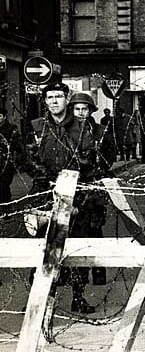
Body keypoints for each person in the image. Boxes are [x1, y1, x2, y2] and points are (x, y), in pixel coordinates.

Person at [25, 83, 102, 313]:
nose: (54, 101)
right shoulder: (37, 127)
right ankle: (40, 299)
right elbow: (29, 158)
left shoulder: (81, 127)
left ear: (66, 99)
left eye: (59, 96)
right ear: (45, 101)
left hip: (76, 195)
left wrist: (72, 182)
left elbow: (89, 159)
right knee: (43, 249)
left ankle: (78, 297)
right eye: (50, 97)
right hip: (46, 195)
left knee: (77, 248)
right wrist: (48, 178)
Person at [69, 92, 116, 285]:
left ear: (91, 111)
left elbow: (110, 155)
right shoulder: (66, 131)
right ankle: (75, 274)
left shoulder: (101, 131)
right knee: (74, 232)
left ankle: (98, 273)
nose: (81, 113)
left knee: (95, 230)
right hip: (74, 186)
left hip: (94, 187)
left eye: (85, 109)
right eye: (77, 109)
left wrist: (97, 167)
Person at [0, 107, 24, 205]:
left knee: (4, 185)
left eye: (0, 116)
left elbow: (18, 145)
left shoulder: (11, 128)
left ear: (4, 117)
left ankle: (6, 209)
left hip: (7, 161)